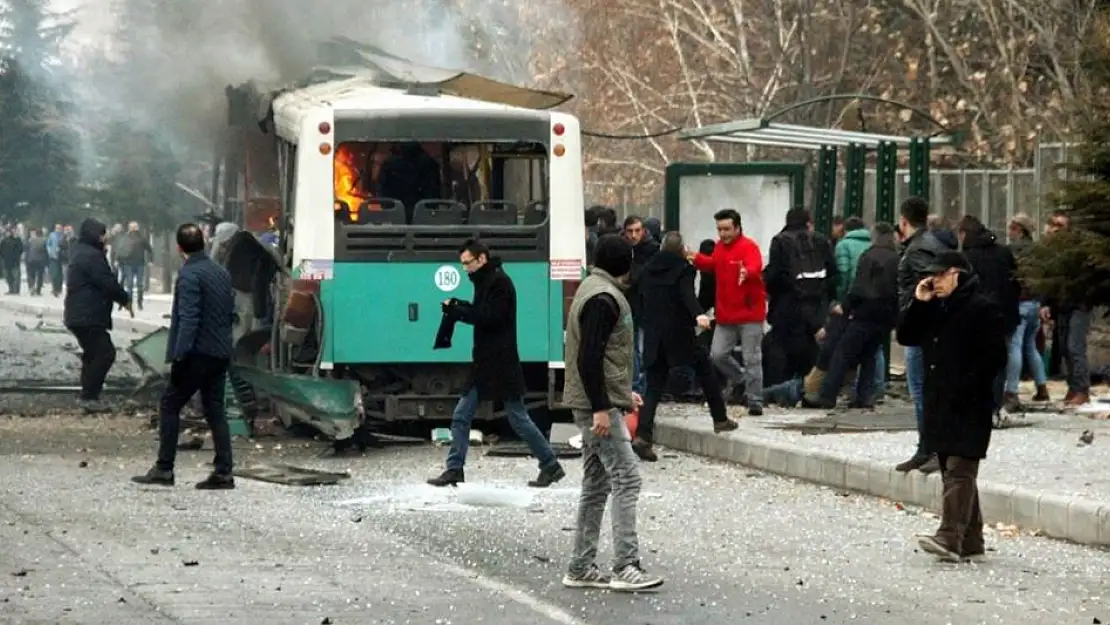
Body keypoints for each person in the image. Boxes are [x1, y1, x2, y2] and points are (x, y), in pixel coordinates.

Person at [561, 234, 663, 592]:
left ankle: (581, 566)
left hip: (592, 403)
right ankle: (625, 566)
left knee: (596, 483)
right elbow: (589, 358)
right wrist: (603, 407)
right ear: (626, 263)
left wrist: (620, 394)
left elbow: (598, 358)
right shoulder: (605, 299)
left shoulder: (591, 289)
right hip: (595, 408)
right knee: (626, 479)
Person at [896, 251, 1007, 563]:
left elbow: (995, 358)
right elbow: (907, 336)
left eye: (941, 275)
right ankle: (971, 539)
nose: (935, 281)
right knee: (951, 466)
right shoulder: (936, 306)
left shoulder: (983, 308)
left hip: (970, 401)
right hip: (941, 400)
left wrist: (969, 387)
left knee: (960, 467)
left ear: (957, 273)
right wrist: (919, 301)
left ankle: (948, 536)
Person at [428, 240, 565, 488]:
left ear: (481, 259)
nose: (465, 269)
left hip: (498, 363)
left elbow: (490, 317)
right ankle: (455, 468)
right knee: (468, 415)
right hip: (489, 361)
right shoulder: (488, 280)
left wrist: (458, 312)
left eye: (467, 263)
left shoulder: (499, 283)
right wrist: (459, 306)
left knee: (515, 418)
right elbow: (483, 312)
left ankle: (550, 464)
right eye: (463, 265)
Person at [132, 223, 237, 489]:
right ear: (203, 242)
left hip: (196, 354)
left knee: (169, 405)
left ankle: (164, 468)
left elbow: (189, 318)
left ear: (179, 249)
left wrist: (179, 355)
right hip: (220, 351)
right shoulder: (220, 273)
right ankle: (224, 472)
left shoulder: (189, 276)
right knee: (215, 410)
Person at [632, 232, 738, 462]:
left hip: (653, 334)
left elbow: (640, 299)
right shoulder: (684, 269)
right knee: (705, 368)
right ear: (681, 250)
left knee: (653, 386)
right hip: (679, 332)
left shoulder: (647, 269)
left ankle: (642, 436)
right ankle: (720, 418)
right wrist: (699, 313)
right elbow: (686, 294)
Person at [805, 223, 900, 409]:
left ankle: (827, 396)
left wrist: (846, 306)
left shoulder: (870, 256)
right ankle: (865, 397)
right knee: (869, 355)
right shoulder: (895, 258)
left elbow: (860, 286)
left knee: (843, 353)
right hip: (885, 316)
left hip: (865, 312)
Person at [894, 197, 954, 474]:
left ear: (904, 221)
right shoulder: (932, 243)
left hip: (922, 328)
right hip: (928, 328)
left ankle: (929, 449)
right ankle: (928, 448)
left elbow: (930, 286)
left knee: (921, 391)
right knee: (926, 390)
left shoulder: (917, 250)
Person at [690, 209, 766, 415]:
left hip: (749, 313)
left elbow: (755, 265)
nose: (723, 234)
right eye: (719, 229)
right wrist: (694, 258)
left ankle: (755, 400)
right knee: (717, 355)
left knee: (752, 357)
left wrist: (747, 272)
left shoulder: (749, 246)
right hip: (726, 314)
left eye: (726, 229)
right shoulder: (719, 249)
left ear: (737, 228)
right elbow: (713, 264)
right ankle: (741, 380)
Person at [62, 219, 133, 413]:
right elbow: (106, 281)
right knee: (105, 353)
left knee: (92, 354)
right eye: (102, 235)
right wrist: (125, 298)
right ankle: (89, 397)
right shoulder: (92, 256)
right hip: (88, 314)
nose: (105, 238)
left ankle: (88, 394)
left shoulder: (81, 251)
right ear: (94, 235)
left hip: (80, 313)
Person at [763, 208, 837, 386]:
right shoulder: (820, 240)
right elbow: (832, 273)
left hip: (786, 307)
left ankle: (780, 389)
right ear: (808, 222)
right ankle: (808, 389)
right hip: (815, 308)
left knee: (781, 351)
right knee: (810, 352)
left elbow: (774, 275)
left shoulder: (780, 241)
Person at [956, 215, 1020, 414]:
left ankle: (976, 406)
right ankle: (994, 406)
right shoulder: (1003, 252)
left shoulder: (966, 258)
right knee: (999, 361)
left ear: (964, 234)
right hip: (1004, 314)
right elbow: (1015, 281)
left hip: (976, 317)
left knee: (972, 361)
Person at [1040, 210, 1091, 406]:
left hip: (1079, 303)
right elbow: (1048, 279)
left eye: (1059, 226)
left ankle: (1082, 389)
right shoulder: (1050, 252)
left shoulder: (1077, 252)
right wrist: (1046, 303)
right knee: (1064, 348)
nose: (1054, 229)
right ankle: (1073, 386)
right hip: (1062, 304)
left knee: (1074, 346)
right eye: (1052, 224)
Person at [1005, 213, 1050, 404]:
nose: (1008, 232)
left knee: (1014, 346)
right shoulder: (1039, 251)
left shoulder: (1012, 251)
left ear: (1018, 229)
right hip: (1035, 303)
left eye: (1011, 228)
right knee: (1030, 346)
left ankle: (1012, 391)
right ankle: (1042, 387)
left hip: (1020, 302)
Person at [622, 214, 659, 396]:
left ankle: (642, 388)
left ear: (644, 231)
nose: (634, 235)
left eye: (637, 231)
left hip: (648, 305)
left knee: (644, 350)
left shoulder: (652, 250)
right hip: (631, 304)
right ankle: (637, 388)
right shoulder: (623, 249)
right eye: (630, 231)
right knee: (634, 349)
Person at [116, 221, 154, 311]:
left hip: (139, 263)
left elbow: (149, 249)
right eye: (132, 227)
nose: (133, 229)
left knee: (139, 284)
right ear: (129, 228)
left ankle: (139, 302)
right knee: (130, 284)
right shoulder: (126, 237)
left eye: (135, 227)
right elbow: (120, 250)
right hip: (128, 263)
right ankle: (130, 302)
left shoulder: (141, 238)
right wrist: (118, 260)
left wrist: (151, 260)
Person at [25, 228, 48, 295]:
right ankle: (38, 291)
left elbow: (27, 248)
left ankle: (32, 286)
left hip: (31, 259)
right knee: (40, 276)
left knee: (32, 274)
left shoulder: (31, 240)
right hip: (40, 260)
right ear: (42, 234)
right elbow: (45, 250)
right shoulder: (44, 240)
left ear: (36, 234)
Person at [0, 228, 24, 294]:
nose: (7, 234)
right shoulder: (3, 241)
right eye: (6, 232)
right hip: (7, 262)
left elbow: (21, 249)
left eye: (9, 232)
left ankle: (15, 290)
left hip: (14, 262)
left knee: (15, 277)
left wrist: (17, 256)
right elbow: (1, 251)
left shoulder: (17, 240)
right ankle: (11, 289)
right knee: (8, 277)